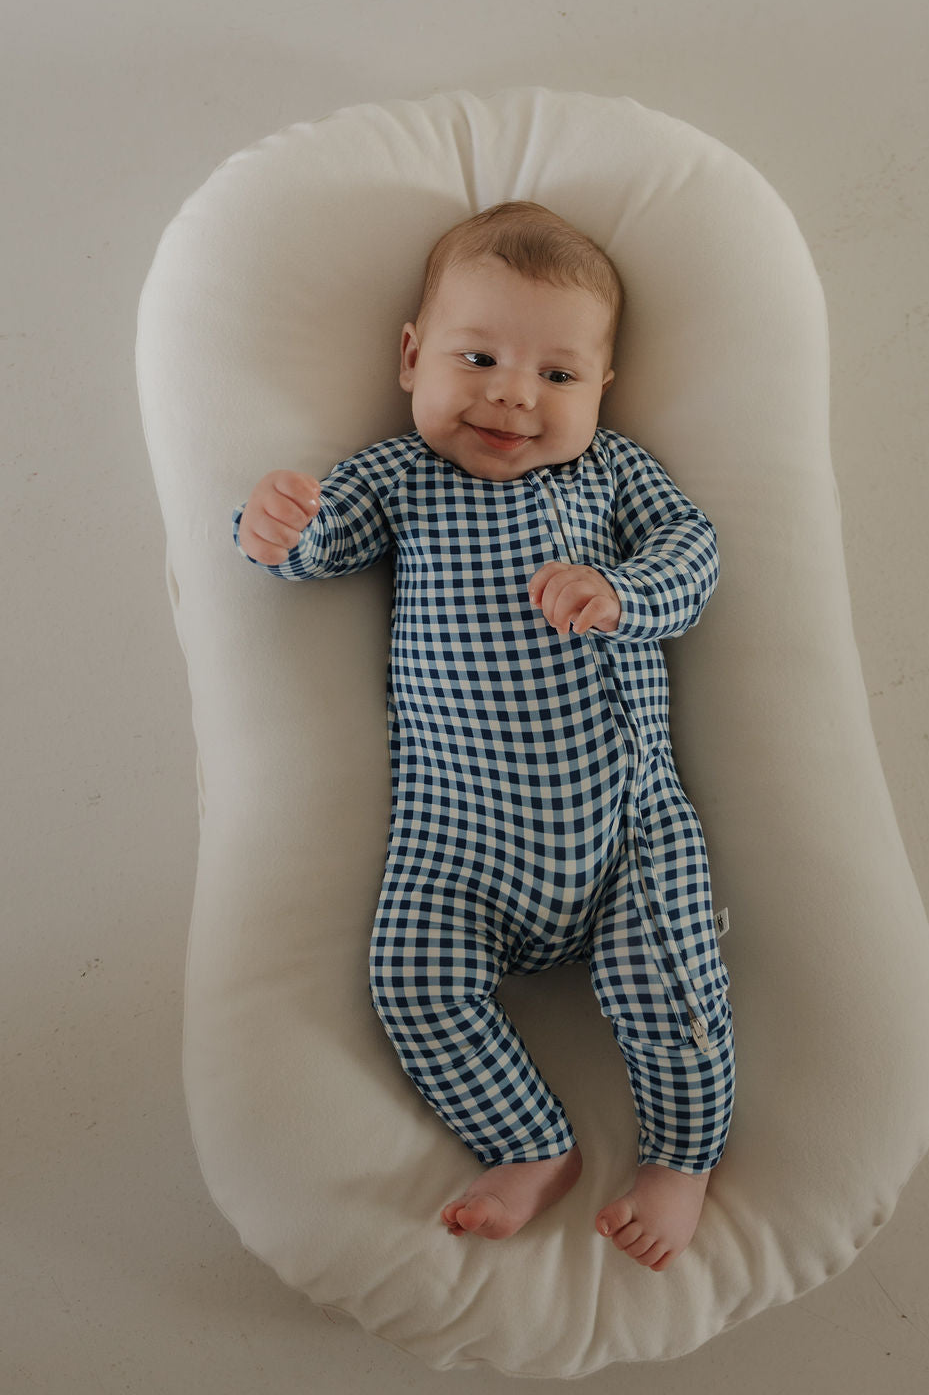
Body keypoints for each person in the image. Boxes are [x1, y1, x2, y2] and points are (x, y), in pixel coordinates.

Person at [234, 201, 734, 1272]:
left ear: (603, 390)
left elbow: (692, 554)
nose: (513, 393)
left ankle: (680, 1160)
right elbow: (322, 550)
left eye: (558, 377)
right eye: (478, 357)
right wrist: (282, 529)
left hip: (623, 824)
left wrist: (620, 592)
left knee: (673, 985)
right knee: (411, 981)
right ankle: (528, 1143)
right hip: (455, 831)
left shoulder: (608, 475)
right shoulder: (396, 478)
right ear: (412, 358)